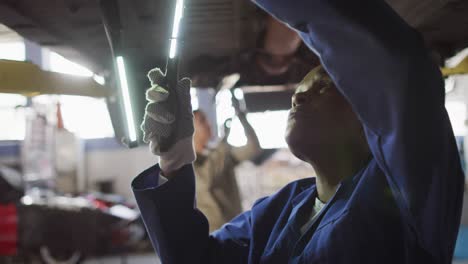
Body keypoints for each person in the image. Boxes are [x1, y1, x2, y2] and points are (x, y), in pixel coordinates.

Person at [134, 0, 464, 263]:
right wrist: (173, 157)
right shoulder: (278, 210)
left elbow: (398, 68)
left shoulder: (408, 189)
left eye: (325, 87)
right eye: (298, 92)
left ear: (374, 113)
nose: (300, 96)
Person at [192, 109, 261, 231]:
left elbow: (253, 147)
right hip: (213, 233)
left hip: (236, 227)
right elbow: (206, 181)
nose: (209, 125)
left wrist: (242, 118)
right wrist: (223, 141)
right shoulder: (189, 164)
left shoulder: (221, 156)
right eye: (202, 121)